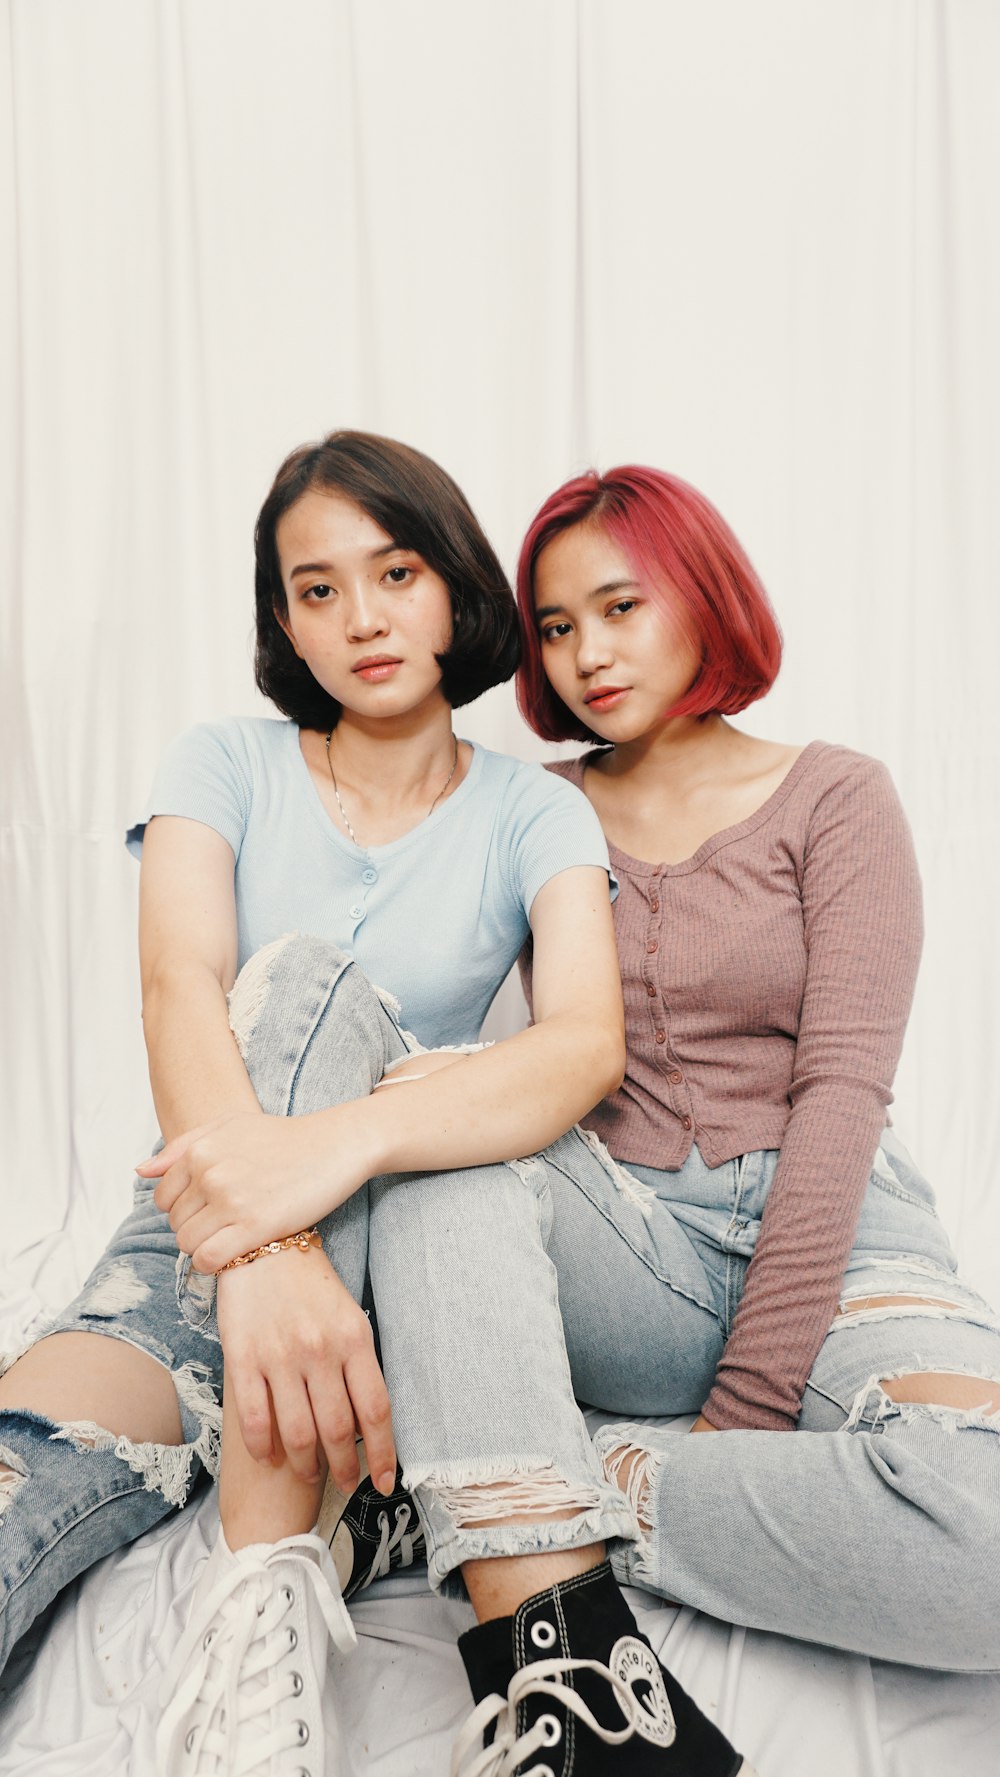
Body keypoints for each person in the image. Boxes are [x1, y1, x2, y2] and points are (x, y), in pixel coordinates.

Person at [0, 433, 756, 1777]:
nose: (361, 619)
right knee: (20, 1476)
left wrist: (331, 1167)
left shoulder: (534, 811)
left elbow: (584, 1047)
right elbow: (181, 986)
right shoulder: (224, 763)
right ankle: (288, 1558)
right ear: (282, 619)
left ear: (454, 585)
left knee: (324, 987)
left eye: (394, 572)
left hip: (400, 1272)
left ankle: (266, 1614)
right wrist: (263, 1252)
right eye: (317, 589)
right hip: (199, 1250)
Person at [505, 461, 1000, 1678]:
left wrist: (739, 1417)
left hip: (848, 1238)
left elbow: (840, 1092)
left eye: (621, 608)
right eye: (557, 626)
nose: (586, 654)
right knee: (440, 1154)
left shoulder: (837, 795)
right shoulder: (532, 813)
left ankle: (573, 1488)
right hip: (627, 1241)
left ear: (701, 593)